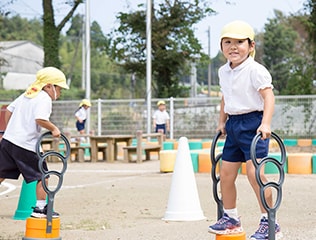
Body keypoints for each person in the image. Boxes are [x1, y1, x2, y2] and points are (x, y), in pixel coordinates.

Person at [208, 20, 282, 240]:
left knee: (255, 174)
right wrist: (222, 121)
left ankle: (269, 222)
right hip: (233, 125)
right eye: (227, 42)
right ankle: (231, 218)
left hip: (253, 125)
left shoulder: (255, 70)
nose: (233, 46)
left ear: (251, 46)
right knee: (226, 174)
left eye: (240, 42)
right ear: (221, 46)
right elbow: (225, 97)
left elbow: (268, 97)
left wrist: (265, 123)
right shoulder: (223, 71)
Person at [0, 67, 69, 218]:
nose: (60, 92)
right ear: (49, 86)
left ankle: (40, 208)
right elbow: (40, 119)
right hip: (25, 145)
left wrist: (10, 130)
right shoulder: (44, 98)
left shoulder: (28, 94)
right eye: (59, 88)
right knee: (43, 175)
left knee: (1, 173)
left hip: (9, 140)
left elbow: (10, 110)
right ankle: (40, 209)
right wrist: (54, 129)